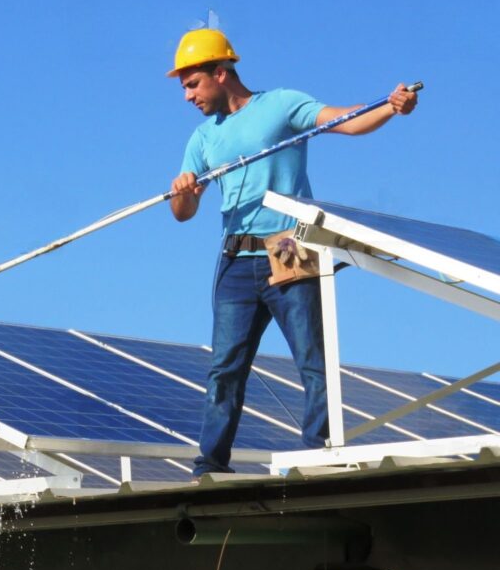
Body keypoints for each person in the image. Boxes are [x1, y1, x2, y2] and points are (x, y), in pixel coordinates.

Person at [167, 28, 418, 476]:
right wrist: (182, 191)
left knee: (312, 359)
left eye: (192, 84)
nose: (187, 97)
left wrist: (389, 107)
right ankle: (210, 464)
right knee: (224, 368)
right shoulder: (203, 139)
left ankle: (319, 453)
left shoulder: (280, 105)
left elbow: (343, 120)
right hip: (235, 261)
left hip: (289, 249)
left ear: (220, 73)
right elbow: (183, 213)